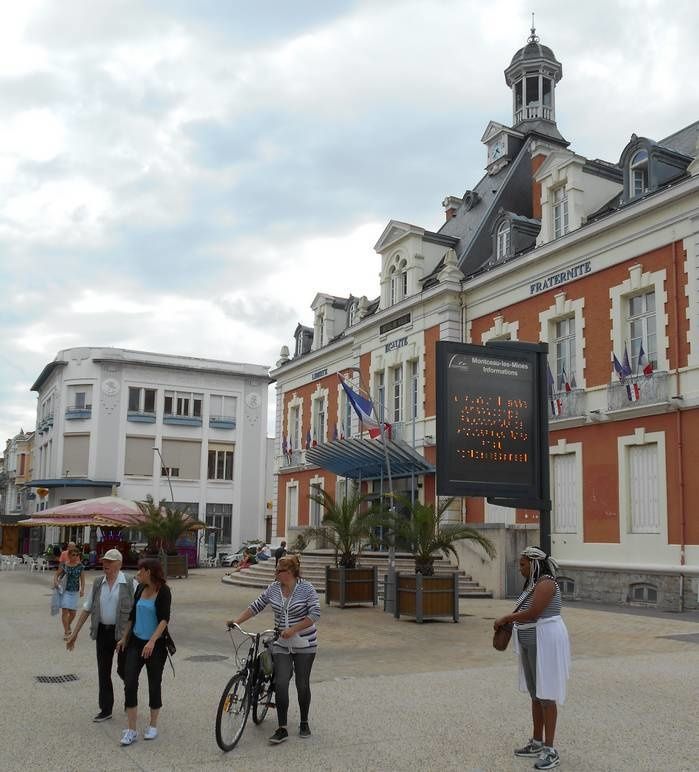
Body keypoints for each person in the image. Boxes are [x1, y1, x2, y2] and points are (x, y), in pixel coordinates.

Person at [227, 554, 320, 745]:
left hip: (304, 643)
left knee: (302, 683)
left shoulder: (307, 588)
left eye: (280, 571)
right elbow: (256, 606)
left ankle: (304, 721)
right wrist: (236, 621)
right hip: (282, 643)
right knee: (281, 683)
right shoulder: (273, 588)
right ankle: (282, 727)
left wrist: (293, 629)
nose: (276, 574)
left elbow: (315, 614)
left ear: (291, 572)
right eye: (276, 570)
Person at [493, 546, 571, 771]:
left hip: (544, 640)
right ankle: (537, 742)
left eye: (523, 564)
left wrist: (507, 616)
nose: (520, 568)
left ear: (534, 563)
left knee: (547, 695)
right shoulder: (533, 585)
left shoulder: (546, 583)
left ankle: (550, 749)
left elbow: (534, 613)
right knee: (535, 694)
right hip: (530, 640)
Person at [66, 548, 136, 723]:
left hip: (123, 634)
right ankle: (105, 708)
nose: (105, 564)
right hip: (103, 632)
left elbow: (139, 609)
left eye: (110, 562)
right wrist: (74, 633)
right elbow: (87, 608)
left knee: (123, 669)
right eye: (104, 561)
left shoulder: (129, 582)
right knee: (103, 671)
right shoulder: (98, 583)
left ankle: (130, 700)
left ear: (119, 564)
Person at [117, 558, 172, 746]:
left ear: (149, 572)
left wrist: (152, 641)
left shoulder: (163, 591)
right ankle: (131, 729)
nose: (138, 575)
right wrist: (124, 637)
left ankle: (153, 725)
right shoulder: (139, 589)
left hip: (154, 646)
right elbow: (132, 616)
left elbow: (164, 619)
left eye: (140, 571)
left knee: (154, 683)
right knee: (130, 681)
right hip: (136, 642)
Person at [53, 546, 85, 639]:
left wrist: (82, 589)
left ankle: (68, 625)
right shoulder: (65, 565)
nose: (75, 557)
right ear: (69, 556)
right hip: (65, 591)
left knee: (73, 613)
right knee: (65, 611)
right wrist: (56, 582)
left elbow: (82, 579)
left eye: (76, 555)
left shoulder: (80, 566)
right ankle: (67, 632)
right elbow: (57, 574)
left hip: (74, 591)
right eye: (73, 555)